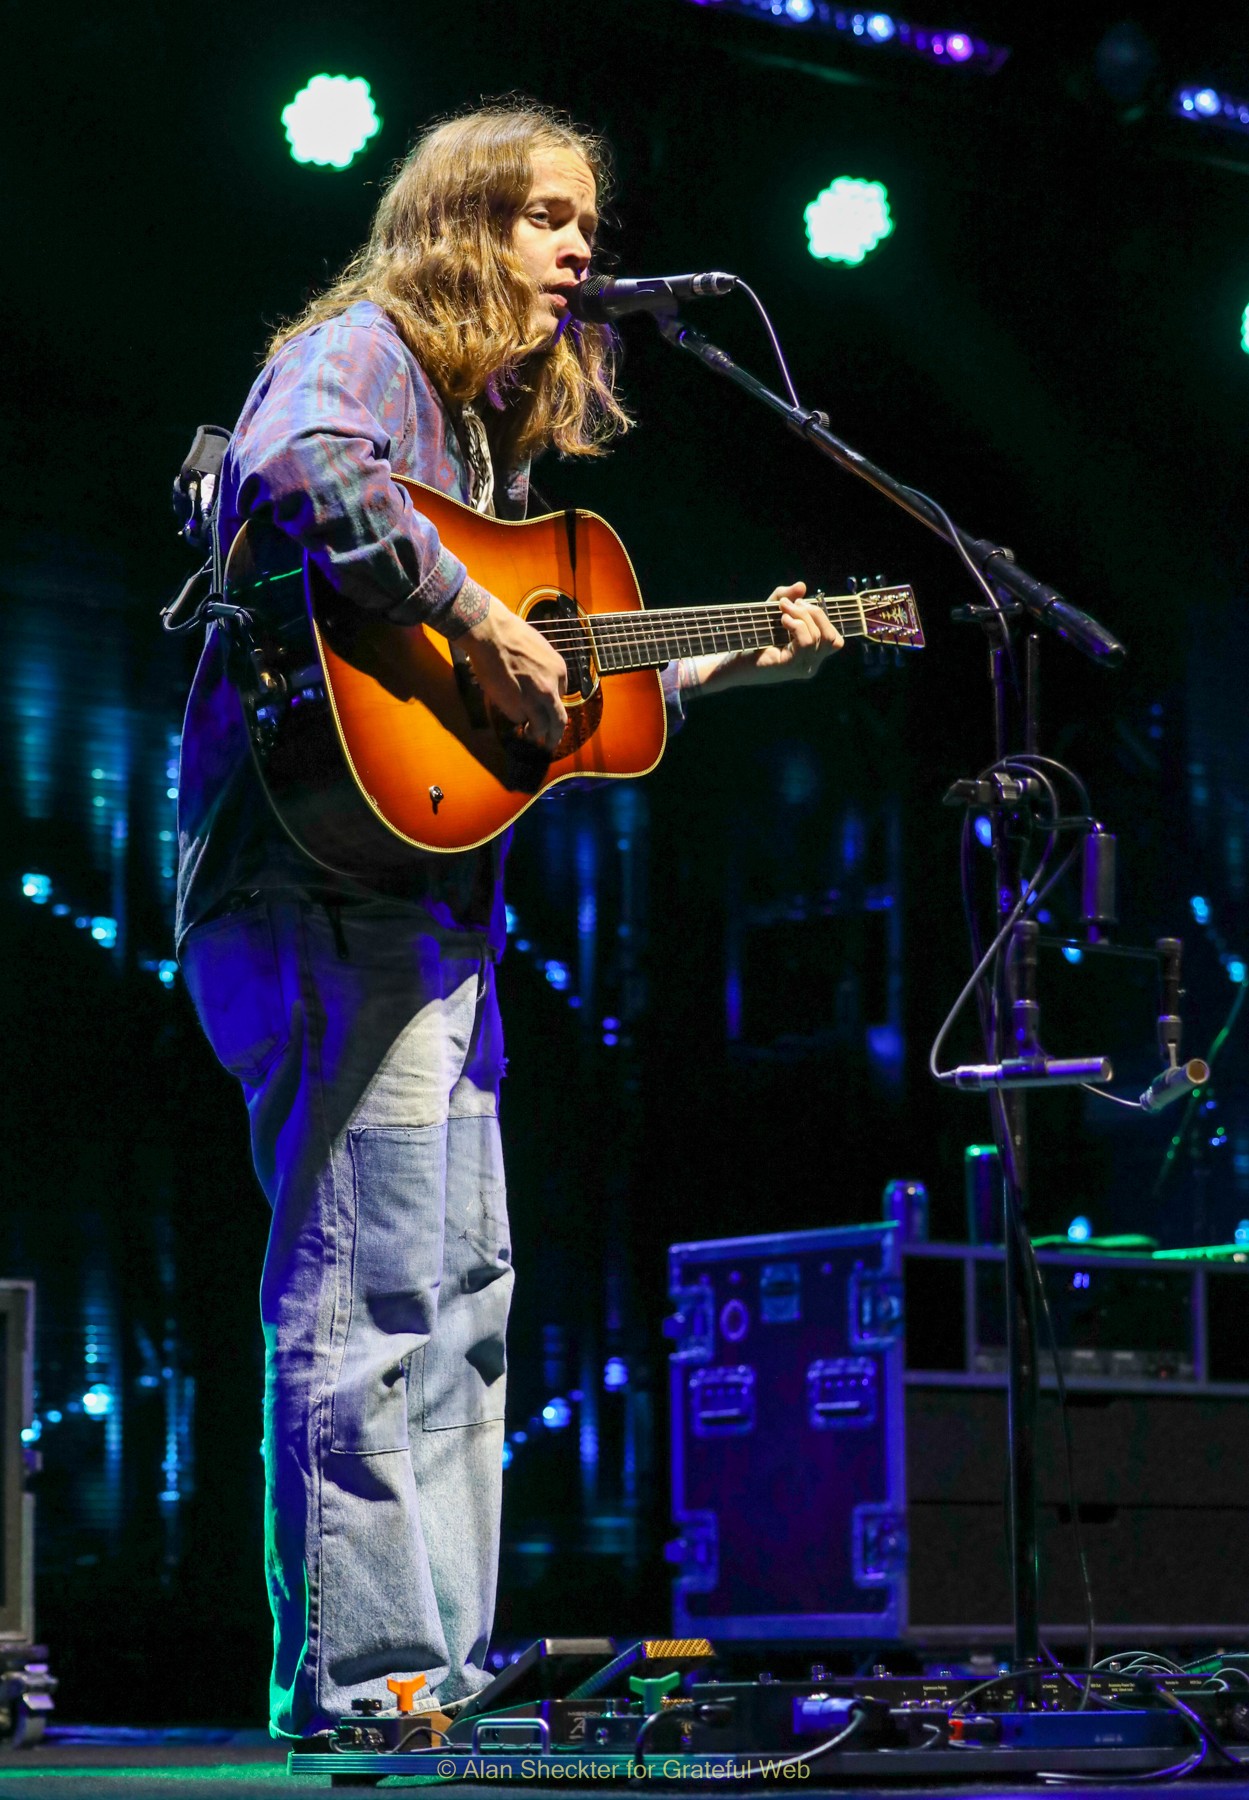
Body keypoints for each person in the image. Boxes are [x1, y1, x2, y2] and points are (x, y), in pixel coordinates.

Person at [175, 100, 842, 1742]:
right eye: (544, 216)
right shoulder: (368, 350)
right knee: (371, 1292)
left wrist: (733, 659)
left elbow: (556, 708)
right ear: (462, 222)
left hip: (426, 908)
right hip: (319, 889)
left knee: (461, 1290)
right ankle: (372, 1680)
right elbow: (293, 468)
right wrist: (477, 617)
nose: (577, 252)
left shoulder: (492, 455)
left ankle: (437, 1678)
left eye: (588, 227)